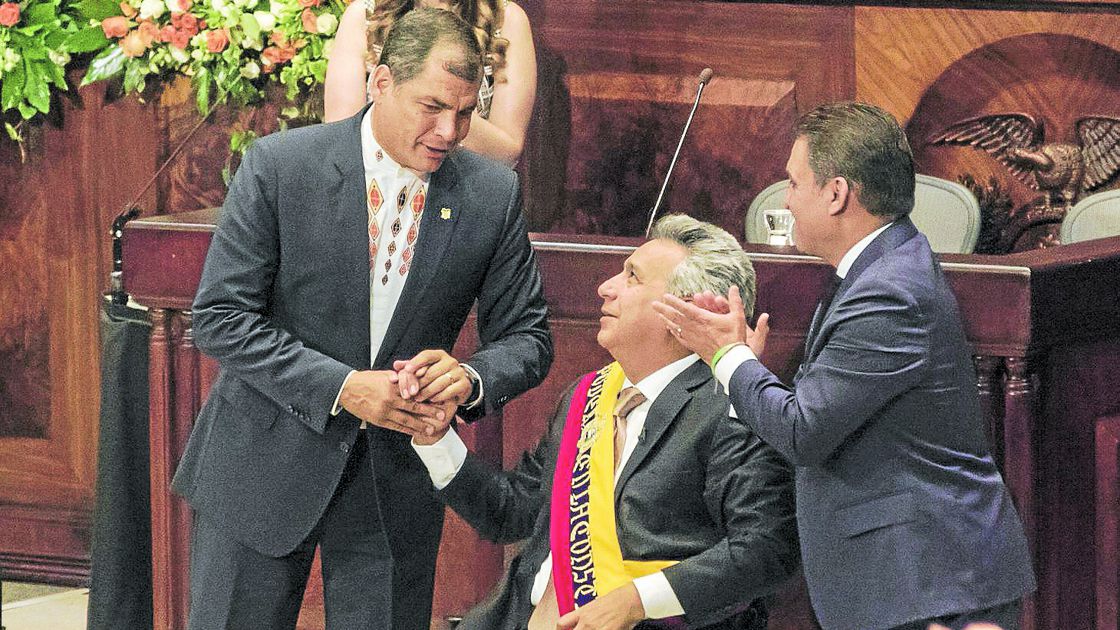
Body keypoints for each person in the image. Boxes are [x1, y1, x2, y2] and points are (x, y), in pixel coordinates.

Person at [171, 9, 553, 630]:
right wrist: (345, 388)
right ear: (379, 83)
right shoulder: (279, 166)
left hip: (393, 491)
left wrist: (470, 378)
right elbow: (220, 317)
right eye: (431, 106)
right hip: (260, 465)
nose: (449, 130)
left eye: (464, 112)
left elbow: (529, 338)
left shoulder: (490, 194)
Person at [654, 102, 1036, 630]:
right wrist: (743, 361)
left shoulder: (888, 294)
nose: (785, 199)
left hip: (927, 588)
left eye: (793, 182)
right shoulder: (877, 272)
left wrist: (725, 354)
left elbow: (804, 431)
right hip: (904, 584)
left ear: (836, 194)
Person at [411, 214, 799, 630]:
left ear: (687, 310)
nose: (606, 287)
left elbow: (766, 548)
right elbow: (510, 512)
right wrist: (435, 438)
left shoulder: (734, 405)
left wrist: (636, 601)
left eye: (632, 277)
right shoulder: (586, 395)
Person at [324, 0, 536, 165]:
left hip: (463, 187)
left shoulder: (506, 20)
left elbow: (508, 151)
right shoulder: (365, 16)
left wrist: (441, 110)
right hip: (377, 179)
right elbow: (340, 137)